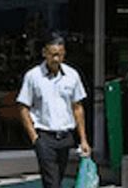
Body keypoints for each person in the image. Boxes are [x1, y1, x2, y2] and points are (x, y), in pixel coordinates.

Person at [16, 35, 90, 188]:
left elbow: (77, 107)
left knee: (58, 178)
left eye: (60, 55)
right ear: (45, 53)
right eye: (53, 54)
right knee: (52, 181)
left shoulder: (72, 75)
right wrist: (34, 138)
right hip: (44, 136)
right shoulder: (33, 76)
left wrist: (83, 139)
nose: (56, 59)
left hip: (65, 137)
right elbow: (23, 107)